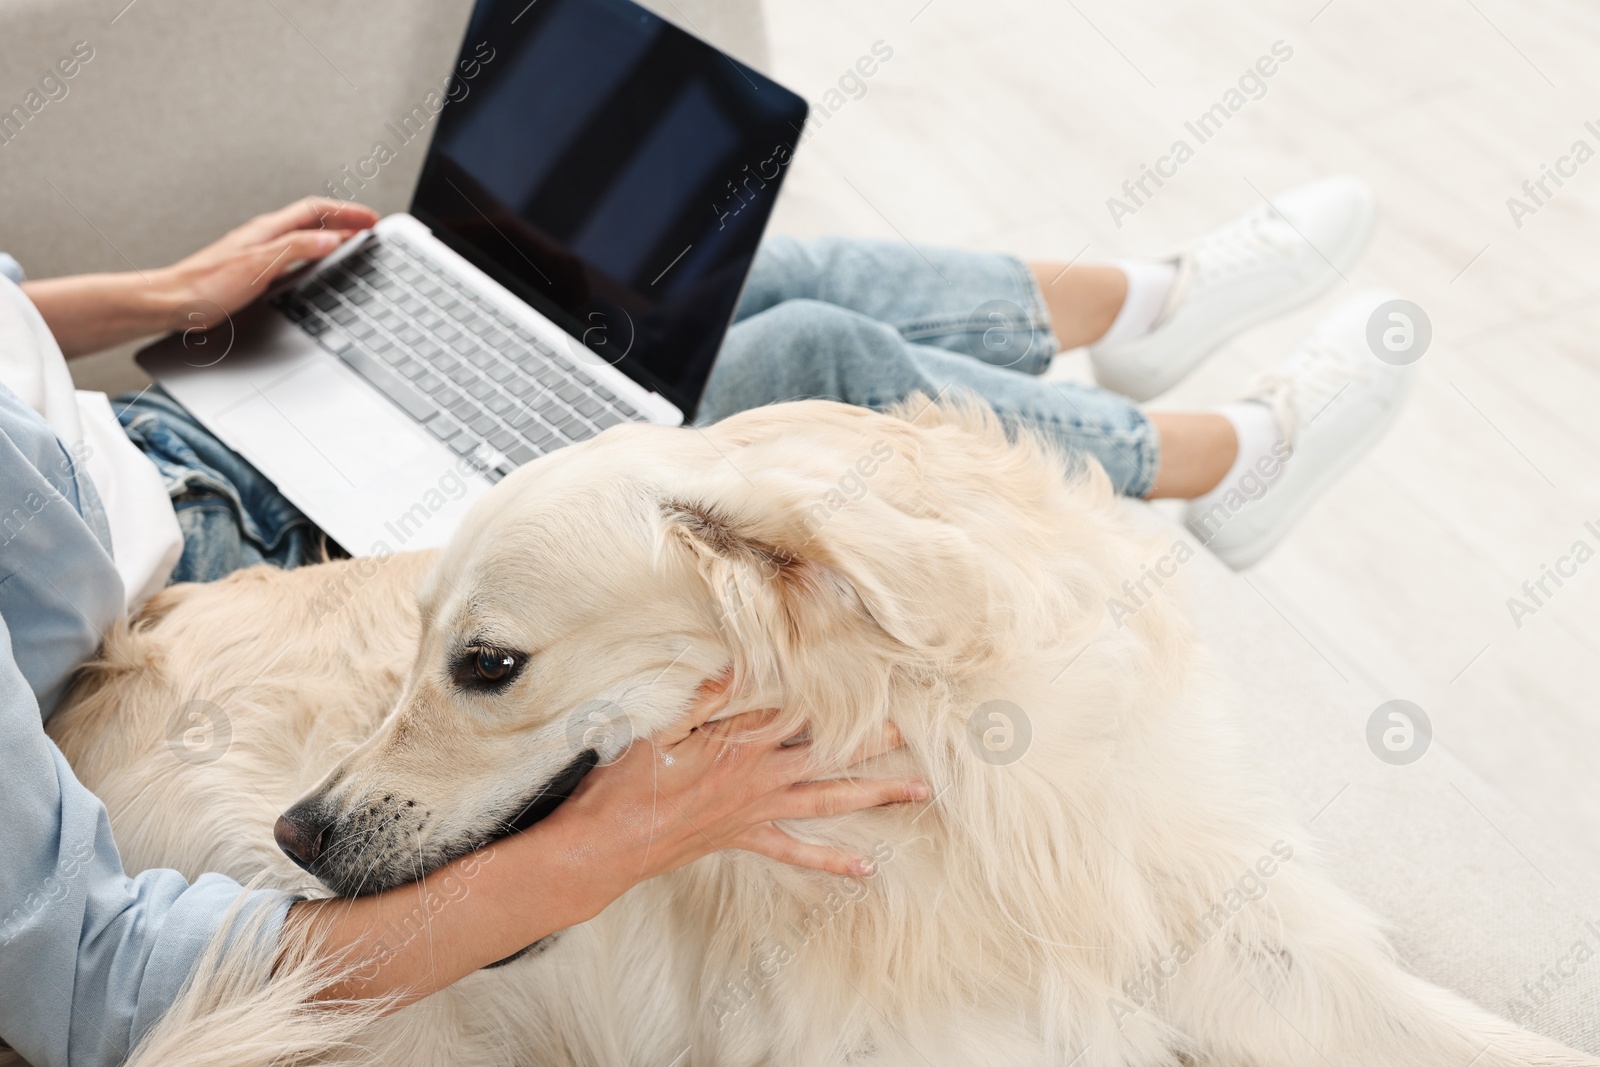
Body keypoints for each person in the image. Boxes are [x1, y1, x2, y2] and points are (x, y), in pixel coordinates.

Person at [0, 173, 1408, 1066]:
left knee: (674, 265)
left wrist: (164, 298)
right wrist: (610, 842)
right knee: (808, 358)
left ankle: (1144, 305)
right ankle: (1216, 453)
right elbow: (93, 979)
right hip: (205, 563)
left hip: (164, 443)